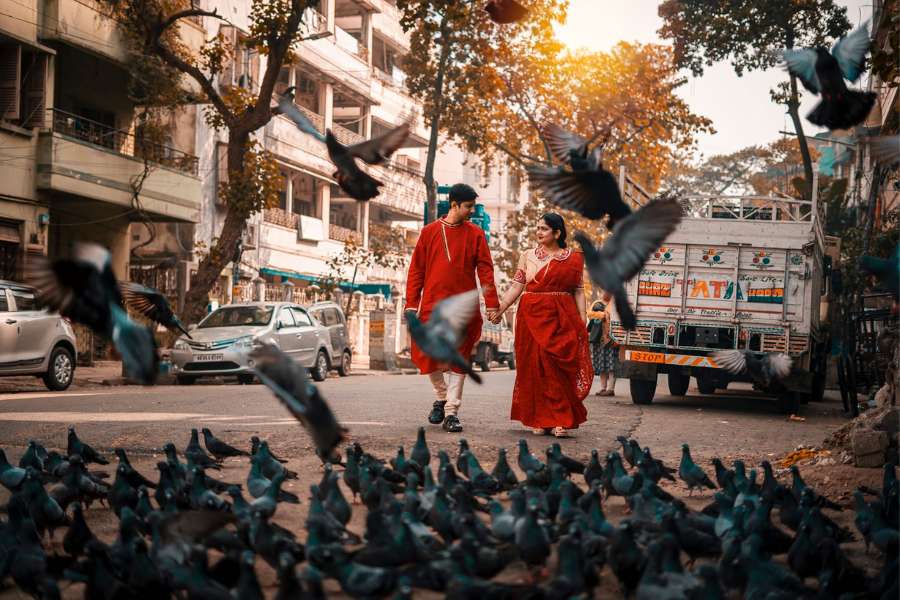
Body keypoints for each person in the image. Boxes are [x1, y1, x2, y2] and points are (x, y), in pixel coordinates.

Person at [405, 183, 500, 433]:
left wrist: (492, 305)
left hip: (464, 310)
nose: (471, 211)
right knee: (425, 354)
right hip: (431, 309)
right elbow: (416, 271)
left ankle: (451, 412)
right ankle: (442, 395)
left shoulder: (476, 234)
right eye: (468, 206)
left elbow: (486, 270)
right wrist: (411, 305)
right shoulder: (429, 233)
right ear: (454, 204)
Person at [491, 213, 593, 438]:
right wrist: (501, 307)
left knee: (558, 369)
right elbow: (517, 286)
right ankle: (540, 419)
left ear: (557, 233)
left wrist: (582, 317)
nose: (538, 232)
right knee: (534, 368)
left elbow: (578, 290)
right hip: (531, 317)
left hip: (562, 317)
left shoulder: (573, 258)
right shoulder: (527, 256)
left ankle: (561, 420)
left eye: (544, 229)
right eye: (537, 228)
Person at [587, 300, 618, 396]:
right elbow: (588, 329)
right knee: (602, 367)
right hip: (599, 344)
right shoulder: (594, 318)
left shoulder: (609, 315)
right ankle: (604, 388)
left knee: (611, 366)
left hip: (608, 344)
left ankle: (610, 389)